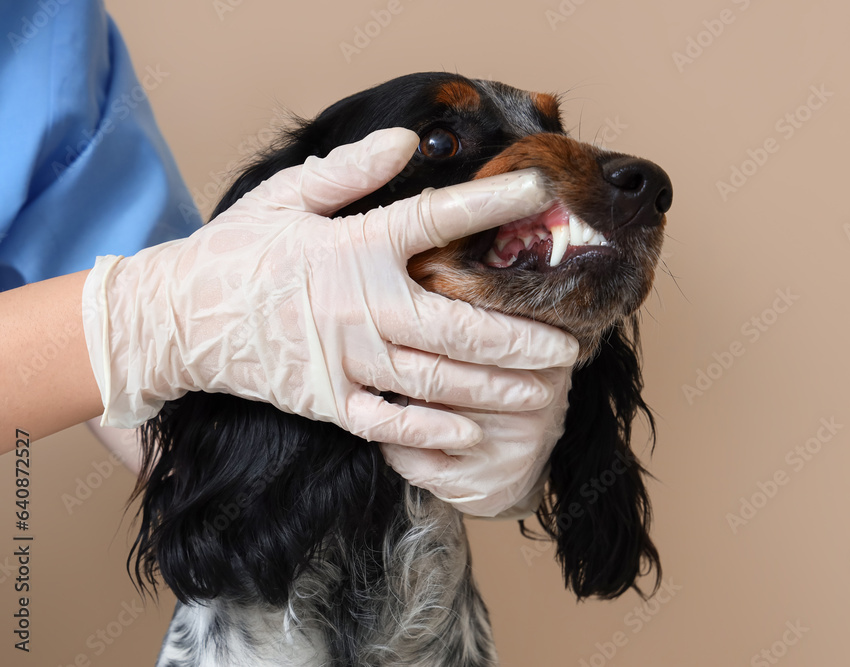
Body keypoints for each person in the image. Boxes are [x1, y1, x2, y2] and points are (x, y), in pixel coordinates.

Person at [0, 0, 576, 517]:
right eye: (439, 144)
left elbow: (142, 370)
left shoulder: (49, 24)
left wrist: (513, 437)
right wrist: (155, 319)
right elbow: (146, 322)